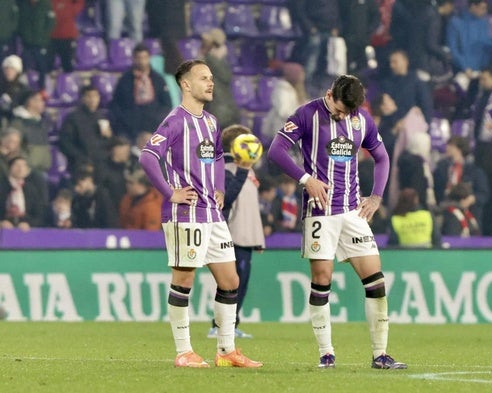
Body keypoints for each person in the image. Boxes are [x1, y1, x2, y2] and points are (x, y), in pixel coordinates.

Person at [267, 74, 406, 369]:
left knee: (376, 280)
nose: (343, 116)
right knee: (322, 280)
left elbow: (382, 157)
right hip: (320, 212)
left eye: (348, 112)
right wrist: (306, 180)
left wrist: (376, 196)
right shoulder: (306, 114)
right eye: (340, 109)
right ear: (330, 94)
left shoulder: (362, 119)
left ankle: (380, 354)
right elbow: (275, 151)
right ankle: (326, 353)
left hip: (353, 211)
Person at [139, 59, 262, 368]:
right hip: (186, 213)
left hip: (212, 213)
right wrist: (171, 192)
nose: (211, 83)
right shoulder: (175, 120)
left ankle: (226, 351)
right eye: (204, 78)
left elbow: (219, 156)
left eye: (211, 78)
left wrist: (220, 187)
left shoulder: (209, 121)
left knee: (230, 279)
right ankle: (184, 352)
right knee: (184, 278)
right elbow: (148, 157)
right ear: (186, 84)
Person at [207, 124, 265, 340]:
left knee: (241, 281)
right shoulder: (228, 169)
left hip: (246, 237)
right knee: (231, 282)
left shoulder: (247, 170)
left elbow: (249, 205)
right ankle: (219, 325)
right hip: (232, 235)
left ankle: (231, 324)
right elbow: (227, 200)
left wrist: (256, 237)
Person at [109, 43, 172, 142]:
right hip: (129, 131)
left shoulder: (158, 80)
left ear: (149, 58)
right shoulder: (125, 80)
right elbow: (116, 105)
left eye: (144, 57)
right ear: (133, 59)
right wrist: (127, 123)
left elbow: (167, 105)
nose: (142, 61)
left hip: (154, 131)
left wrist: (153, 125)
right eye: (138, 58)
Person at [58, 85, 113, 174]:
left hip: (102, 162)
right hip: (81, 164)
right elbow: (65, 142)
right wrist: (80, 158)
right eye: (89, 96)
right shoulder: (73, 118)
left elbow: (110, 142)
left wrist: (110, 136)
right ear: (83, 98)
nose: (92, 99)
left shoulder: (103, 117)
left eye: (95, 96)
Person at [199, 28, 240, 130]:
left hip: (220, 113)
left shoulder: (211, 61)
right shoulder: (215, 62)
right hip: (225, 112)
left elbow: (226, 77)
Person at [0, 156, 44, 230]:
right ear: (10, 168)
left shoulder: (31, 189)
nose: (20, 168)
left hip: (24, 229)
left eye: (24, 166)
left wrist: (29, 224)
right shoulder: (2, 185)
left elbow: (39, 214)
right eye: (17, 165)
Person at [50, 0, 85, 73]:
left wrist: (69, 10)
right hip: (51, 35)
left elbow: (79, 2)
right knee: (47, 66)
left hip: (67, 35)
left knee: (67, 65)